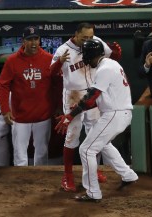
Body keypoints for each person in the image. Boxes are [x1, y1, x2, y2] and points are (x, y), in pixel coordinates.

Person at [55, 39, 138, 202]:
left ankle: (93, 192)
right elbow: (94, 100)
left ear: (90, 56)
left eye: (86, 57)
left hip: (114, 114)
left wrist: (70, 116)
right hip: (119, 113)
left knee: (86, 150)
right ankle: (128, 175)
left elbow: (90, 98)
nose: (85, 61)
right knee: (103, 145)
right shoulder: (111, 64)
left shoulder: (104, 69)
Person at [50, 22, 122, 192]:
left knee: (95, 134)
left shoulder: (96, 41)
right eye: (84, 37)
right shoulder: (63, 50)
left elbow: (112, 59)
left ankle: (93, 170)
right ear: (76, 34)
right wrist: (59, 62)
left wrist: (117, 52)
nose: (88, 40)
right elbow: (51, 74)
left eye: (90, 36)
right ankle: (67, 177)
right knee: (72, 135)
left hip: (93, 92)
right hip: (73, 94)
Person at [0, 26, 58, 166]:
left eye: (36, 39)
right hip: (19, 117)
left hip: (42, 115)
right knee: (20, 157)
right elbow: (3, 86)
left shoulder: (49, 59)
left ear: (39, 40)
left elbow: (57, 85)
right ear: (23, 41)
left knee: (42, 154)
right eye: (29, 39)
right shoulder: (12, 61)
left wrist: (57, 106)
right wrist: (5, 109)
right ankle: (21, 186)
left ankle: (41, 185)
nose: (33, 43)